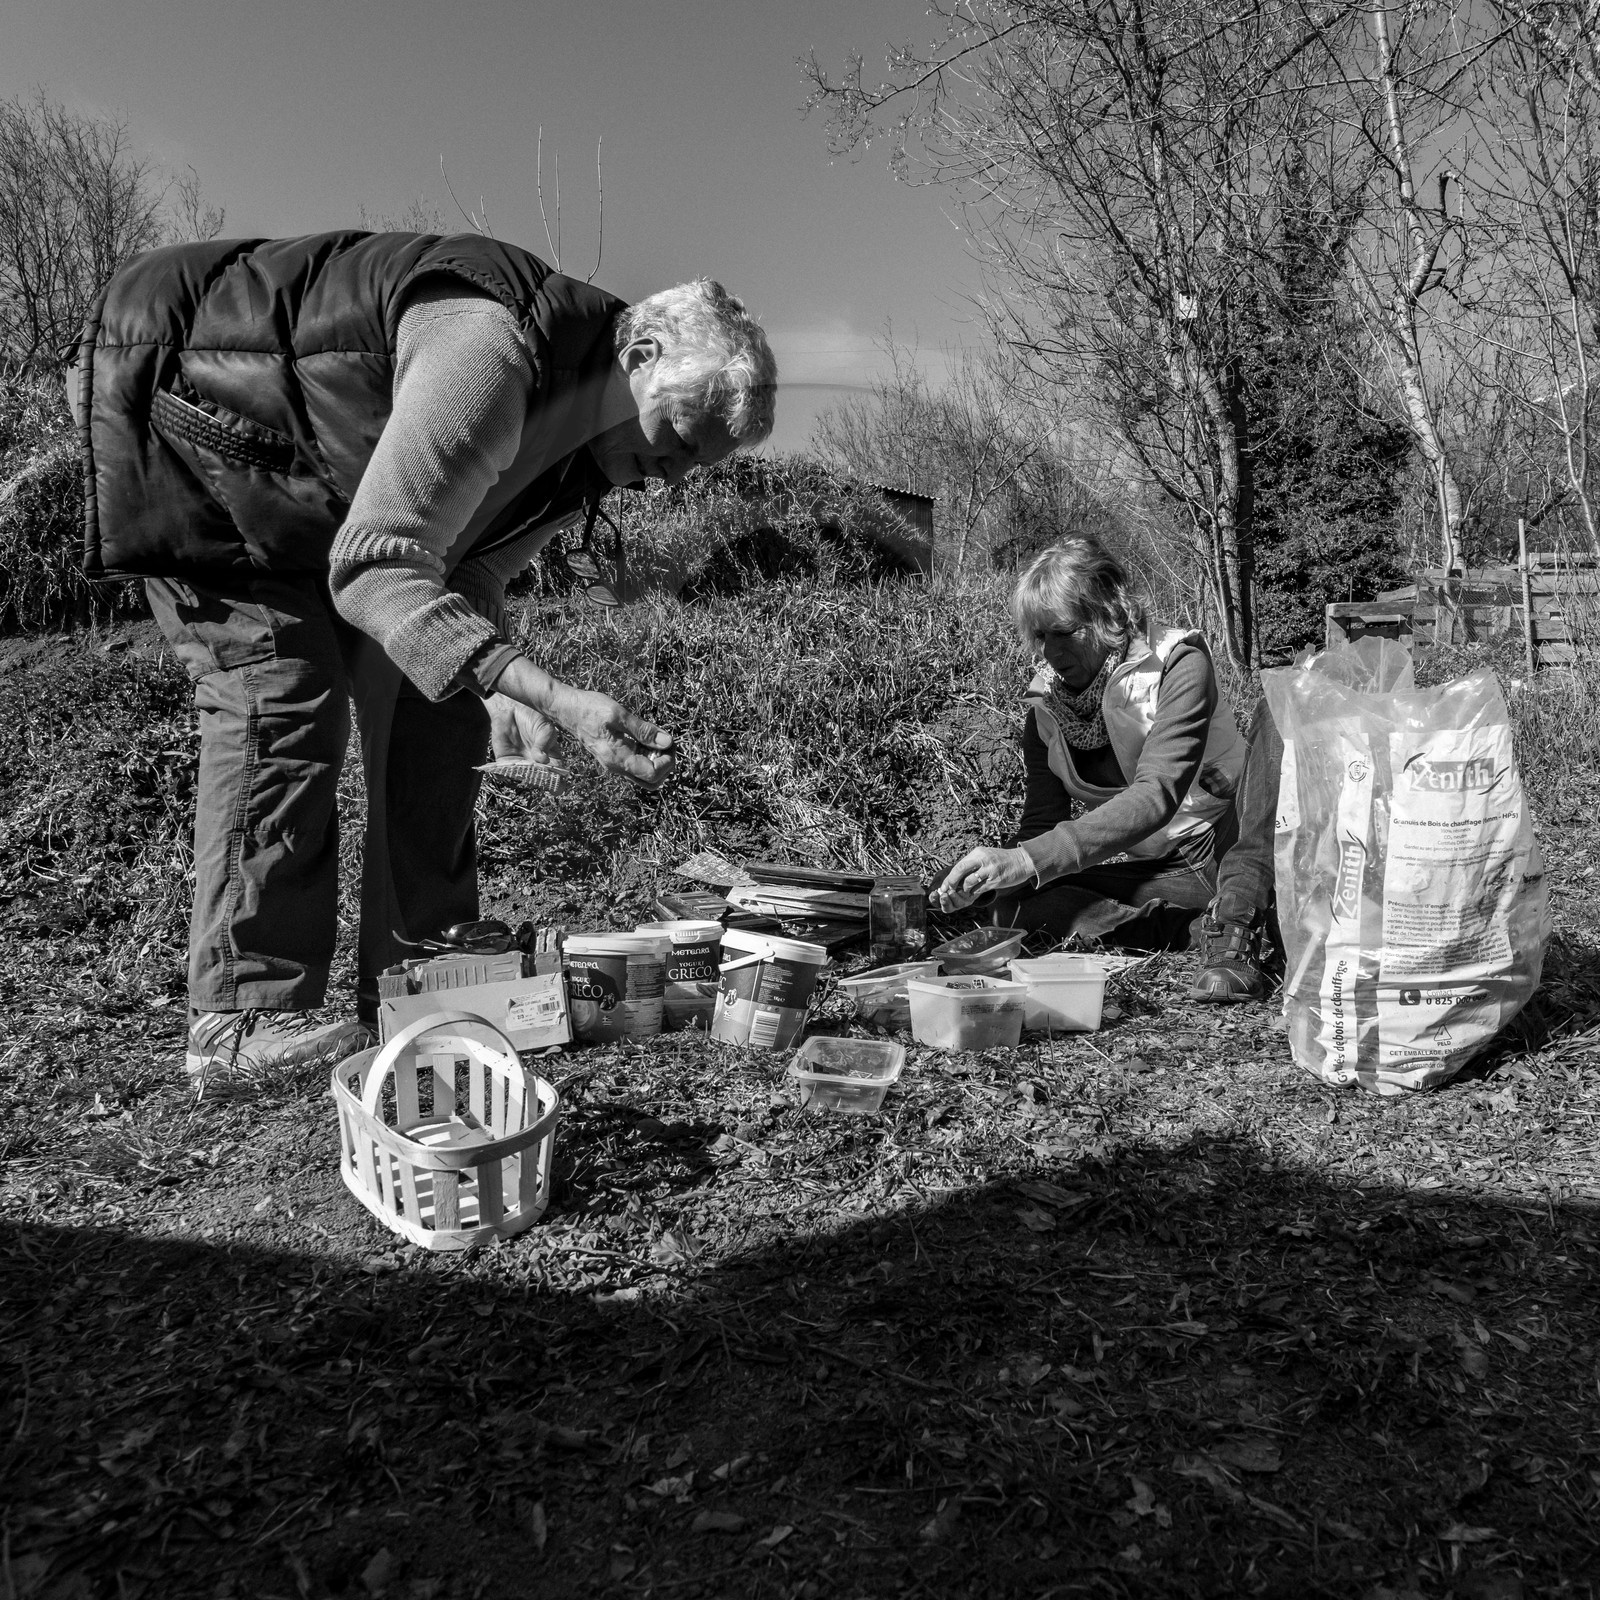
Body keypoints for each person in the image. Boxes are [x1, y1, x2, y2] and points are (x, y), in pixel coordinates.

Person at [74, 230, 777, 1088]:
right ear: (639, 352)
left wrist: (497, 685)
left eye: (691, 467)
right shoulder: (491, 352)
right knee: (284, 687)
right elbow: (378, 569)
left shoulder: (588, 448)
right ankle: (238, 1017)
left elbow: (467, 570)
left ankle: (420, 979)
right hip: (204, 422)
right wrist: (552, 693)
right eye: (674, 440)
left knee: (441, 698)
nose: (667, 477)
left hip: (323, 486)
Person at [933, 536, 1276, 993]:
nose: (1050, 652)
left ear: (1107, 615)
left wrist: (1024, 859)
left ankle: (1237, 919)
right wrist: (985, 880)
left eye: (1064, 632)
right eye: (1040, 636)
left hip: (1221, 847)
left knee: (1277, 715)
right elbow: (1040, 826)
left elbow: (1156, 794)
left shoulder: (1179, 663)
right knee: (1013, 913)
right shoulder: (1045, 710)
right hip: (1160, 872)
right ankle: (1194, 931)